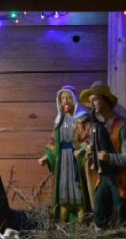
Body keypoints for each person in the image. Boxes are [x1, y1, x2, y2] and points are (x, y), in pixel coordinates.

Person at [79, 81, 126, 228]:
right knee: (99, 212)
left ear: (105, 100)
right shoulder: (97, 127)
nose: (91, 105)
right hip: (103, 177)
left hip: (121, 178)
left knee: (121, 215)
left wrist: (109, 157)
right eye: (90, 101)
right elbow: (90, 144)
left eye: (95, 100)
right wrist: (88, 150)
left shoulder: (122, 127)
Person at [38, 85, 91, 222]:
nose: (66, 101)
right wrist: (47, 156)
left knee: (78, 188)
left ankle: (81, 222)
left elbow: (89, 138)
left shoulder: (82, 119)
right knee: (63, 190)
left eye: (69, 98)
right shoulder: (59, 121)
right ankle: (62, 223)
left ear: (75, 100)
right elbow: (52, 142)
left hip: (75, 160)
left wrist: (83, 150)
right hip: (62, 161)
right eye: (63, 98)